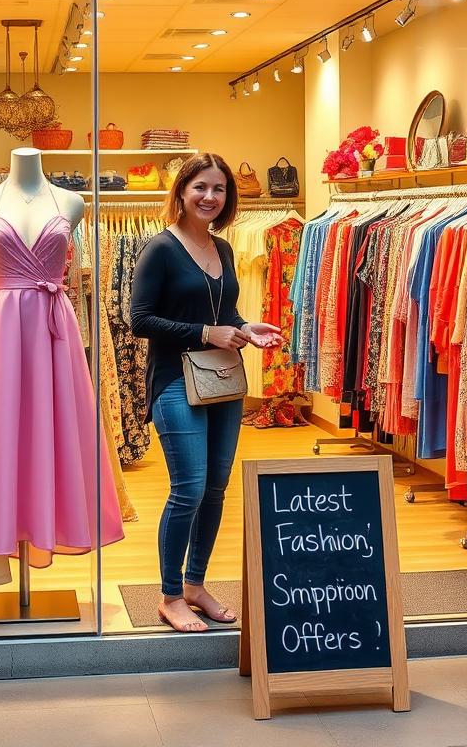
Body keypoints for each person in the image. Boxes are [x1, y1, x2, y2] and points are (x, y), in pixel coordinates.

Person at [131, 153, 282, 633]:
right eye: (200, 187)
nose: (209, 197)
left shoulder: (225, 249)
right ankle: (170, 594)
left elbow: (226, 311)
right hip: (175, 380)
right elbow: (139, 319)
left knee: (216, 488)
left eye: (218, 189)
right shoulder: (160, 249)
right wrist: (205, 332)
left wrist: (244, 327)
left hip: (221, 380)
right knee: (189, 488)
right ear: (181, 192)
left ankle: (195, 584)